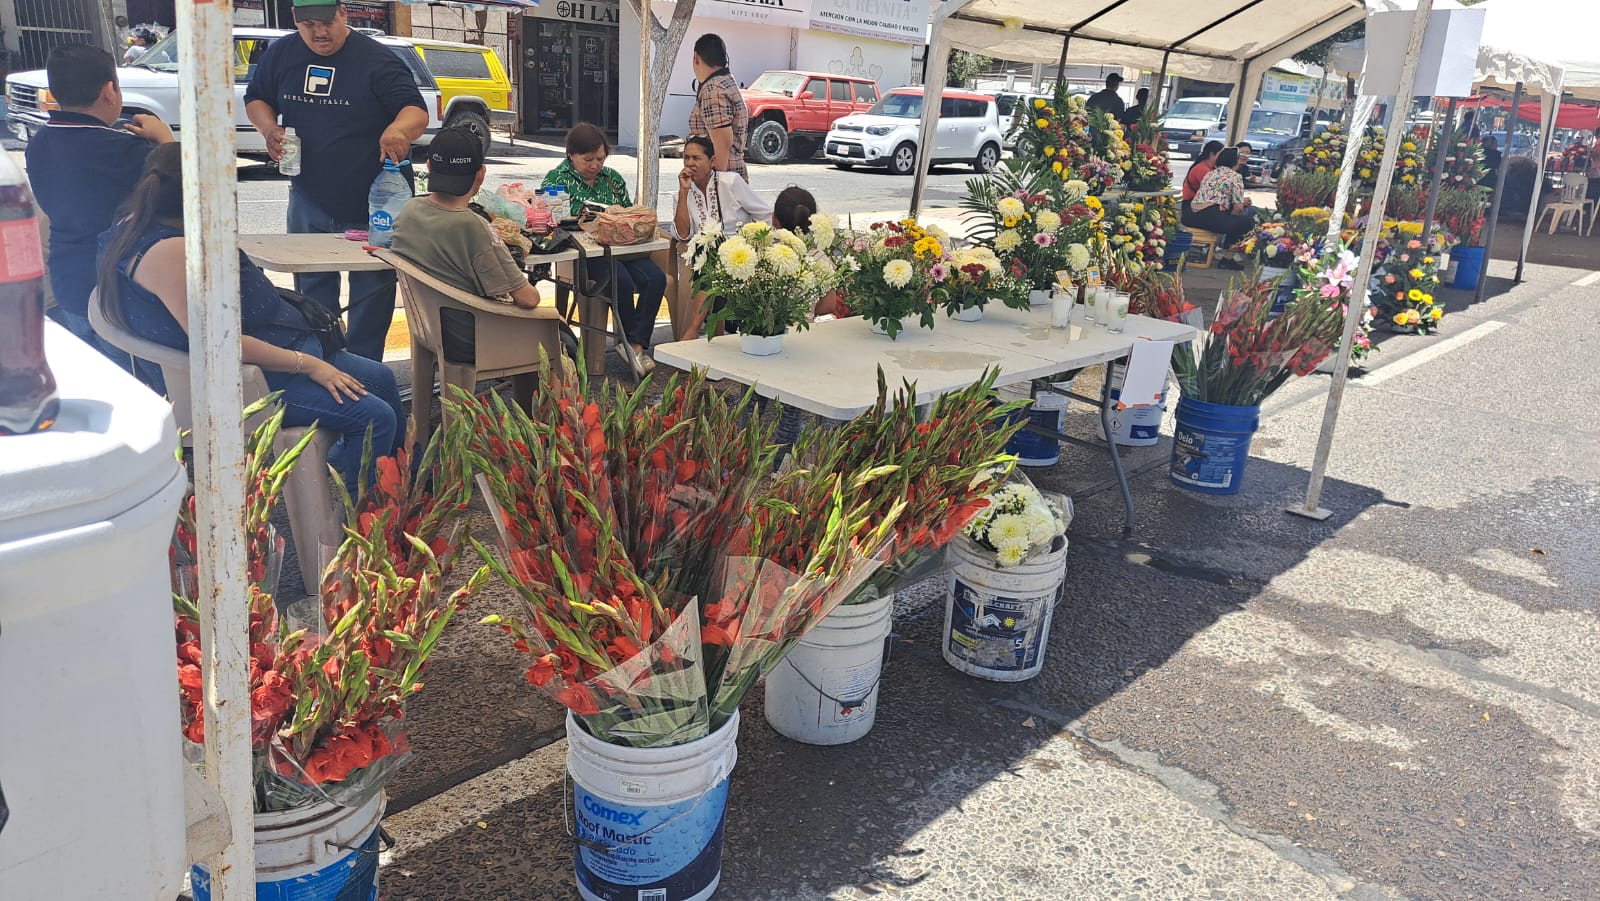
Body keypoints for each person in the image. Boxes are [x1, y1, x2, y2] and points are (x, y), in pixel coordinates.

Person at [97, 144, 403, 491]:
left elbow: (172, 167)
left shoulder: (136, 220)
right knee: (376, 418)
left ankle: (401, 492)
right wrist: (309, 365)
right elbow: (222, 344)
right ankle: (366, 525)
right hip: (246, 380)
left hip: (274, 354)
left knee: (381, 377)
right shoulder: (172, 254)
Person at [245, 0, 428, 361]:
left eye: (327, 22)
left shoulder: (376, 59)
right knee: (311, 294)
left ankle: (365, 371)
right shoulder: (283, 52)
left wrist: (397, 128)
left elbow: (416, 111)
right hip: (308, 196)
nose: (320, 32)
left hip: (374, 201)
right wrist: (268, 128)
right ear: (295, 19)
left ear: (344, 13)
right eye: (309, 24)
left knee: (371, 295)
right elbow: (257, 97)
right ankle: (323, 366)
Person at [24, 43, 173, 375]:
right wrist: (165, 141)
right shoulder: (127, 150)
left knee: (102, 378)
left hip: (68, 283)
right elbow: (187, 187)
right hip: (120, 292)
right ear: (110, 91)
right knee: (141, 387)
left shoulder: (38, 144)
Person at [391, 126, 543, 378]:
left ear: (429, 166)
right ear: (481, 174)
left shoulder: (408, 211)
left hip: (429, 330)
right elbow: (528, 299)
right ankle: (545, 416)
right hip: (476, 336)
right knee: (557, 335)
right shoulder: (473, 225)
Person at [539, 122, 667, 375]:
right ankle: (631, 347)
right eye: (588, 160)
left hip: (623, 246)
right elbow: (551, 220)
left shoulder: (612, 179)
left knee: (656, 278)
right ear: (571, 155)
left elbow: (629, 211)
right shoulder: (556, 180)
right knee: (622, 281)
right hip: (587, 253)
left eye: (600, 158)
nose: (595, 165)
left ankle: (635, 343)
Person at [671, 136, 773, 240]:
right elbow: (682, 235)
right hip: (701, 254)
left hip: (738, 251)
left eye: (696, 158)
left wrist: (756, 244)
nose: (689, 163)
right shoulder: (680, 196)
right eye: (686, 158)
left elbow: (764, 214)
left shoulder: (730, 182)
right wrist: (683, 191)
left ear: (712, 161)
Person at [688, 34, 749, 180]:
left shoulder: (713, 90)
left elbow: (722, 146)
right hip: (731, 177)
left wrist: (712, 189)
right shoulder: (725, 81)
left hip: (721, 183)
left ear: (696, 57)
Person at [1184, 146, 1256, 251]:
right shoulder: (1235, 176)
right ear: (1235, 162)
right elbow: (1238, 208)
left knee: (1231, 220)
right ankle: (1228, 256)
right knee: (1245, 222)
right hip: (1212, 217)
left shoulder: (1210, 174)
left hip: (1190, 216)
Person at [1181, 141, 1225, 217]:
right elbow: (1215, 192)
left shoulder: (1211, 168)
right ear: (1212, 154)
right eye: (1220, 155)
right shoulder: (1202, 169)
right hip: (1192, 208)